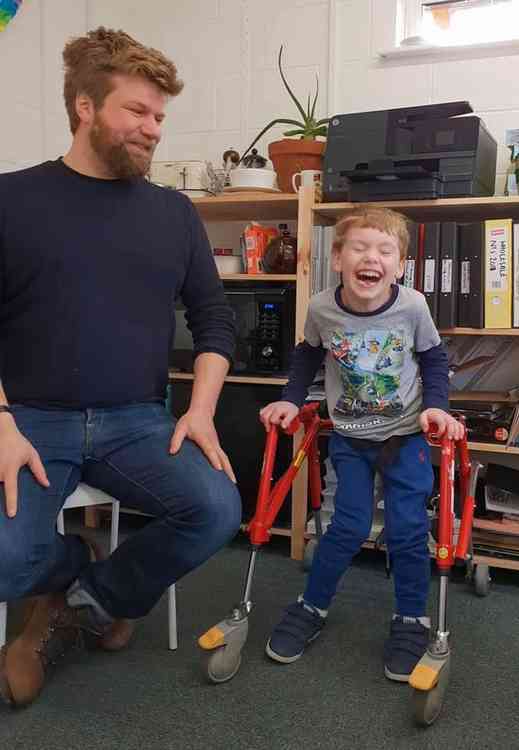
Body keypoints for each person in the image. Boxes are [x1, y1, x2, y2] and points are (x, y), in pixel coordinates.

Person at [0, 27, 241, 708]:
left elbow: (213, 319)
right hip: (28, 420)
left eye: (160, 116)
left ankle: (83, 602)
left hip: (135, 421)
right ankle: (77, 568)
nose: (153, 129)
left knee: (216, 508)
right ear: (84, 106)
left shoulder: (173, 213)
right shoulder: (10, 200)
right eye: (137, 111)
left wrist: (199, 411)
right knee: (4, 559)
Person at [259, 206, 463, 682]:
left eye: (384, 250)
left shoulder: (412, 306)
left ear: (400, 265)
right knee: (345, 527)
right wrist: (290, 400)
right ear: (337, 258)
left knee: (409, 530)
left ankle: (412, 618)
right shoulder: (321, 308)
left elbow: (434, 360)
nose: (372, 257)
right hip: (349, 439)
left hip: (406, 436)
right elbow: (307, 356)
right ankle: (312, 606)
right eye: (360, 247)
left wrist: (437, 406)